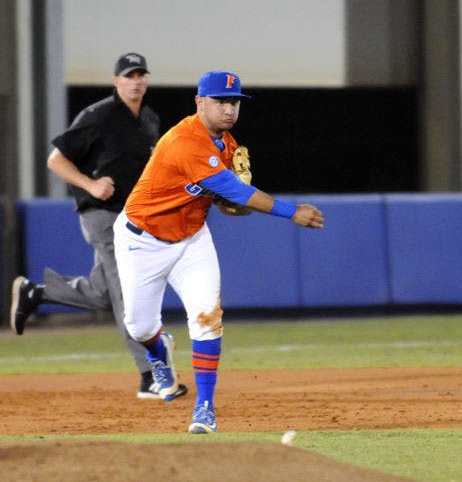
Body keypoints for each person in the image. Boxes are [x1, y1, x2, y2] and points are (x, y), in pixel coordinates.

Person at [114, 70, 324, 434]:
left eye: (235, 102)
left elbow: (229, 205)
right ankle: (156, 350)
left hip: (192, 240)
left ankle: (204, 407)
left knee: (207, 318)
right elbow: (240, 195)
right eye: (221, 101)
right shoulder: (185, 142)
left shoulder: (226, 145)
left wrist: (234, 203)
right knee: (138, 325)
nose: (229, 109)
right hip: (142, 241)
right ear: (199, 102)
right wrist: (292, 212)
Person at [10, 52, 187, 400]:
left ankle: (37, 293)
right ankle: (150, 376)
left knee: (105, 293)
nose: (135, 80)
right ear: (116, 81)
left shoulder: (149, 119)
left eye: (140, 74)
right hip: (103, 215)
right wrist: (90, 185)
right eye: (128, 75)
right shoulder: (98, 116)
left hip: (134, 218)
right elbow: (56, 159)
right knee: (128, 297)